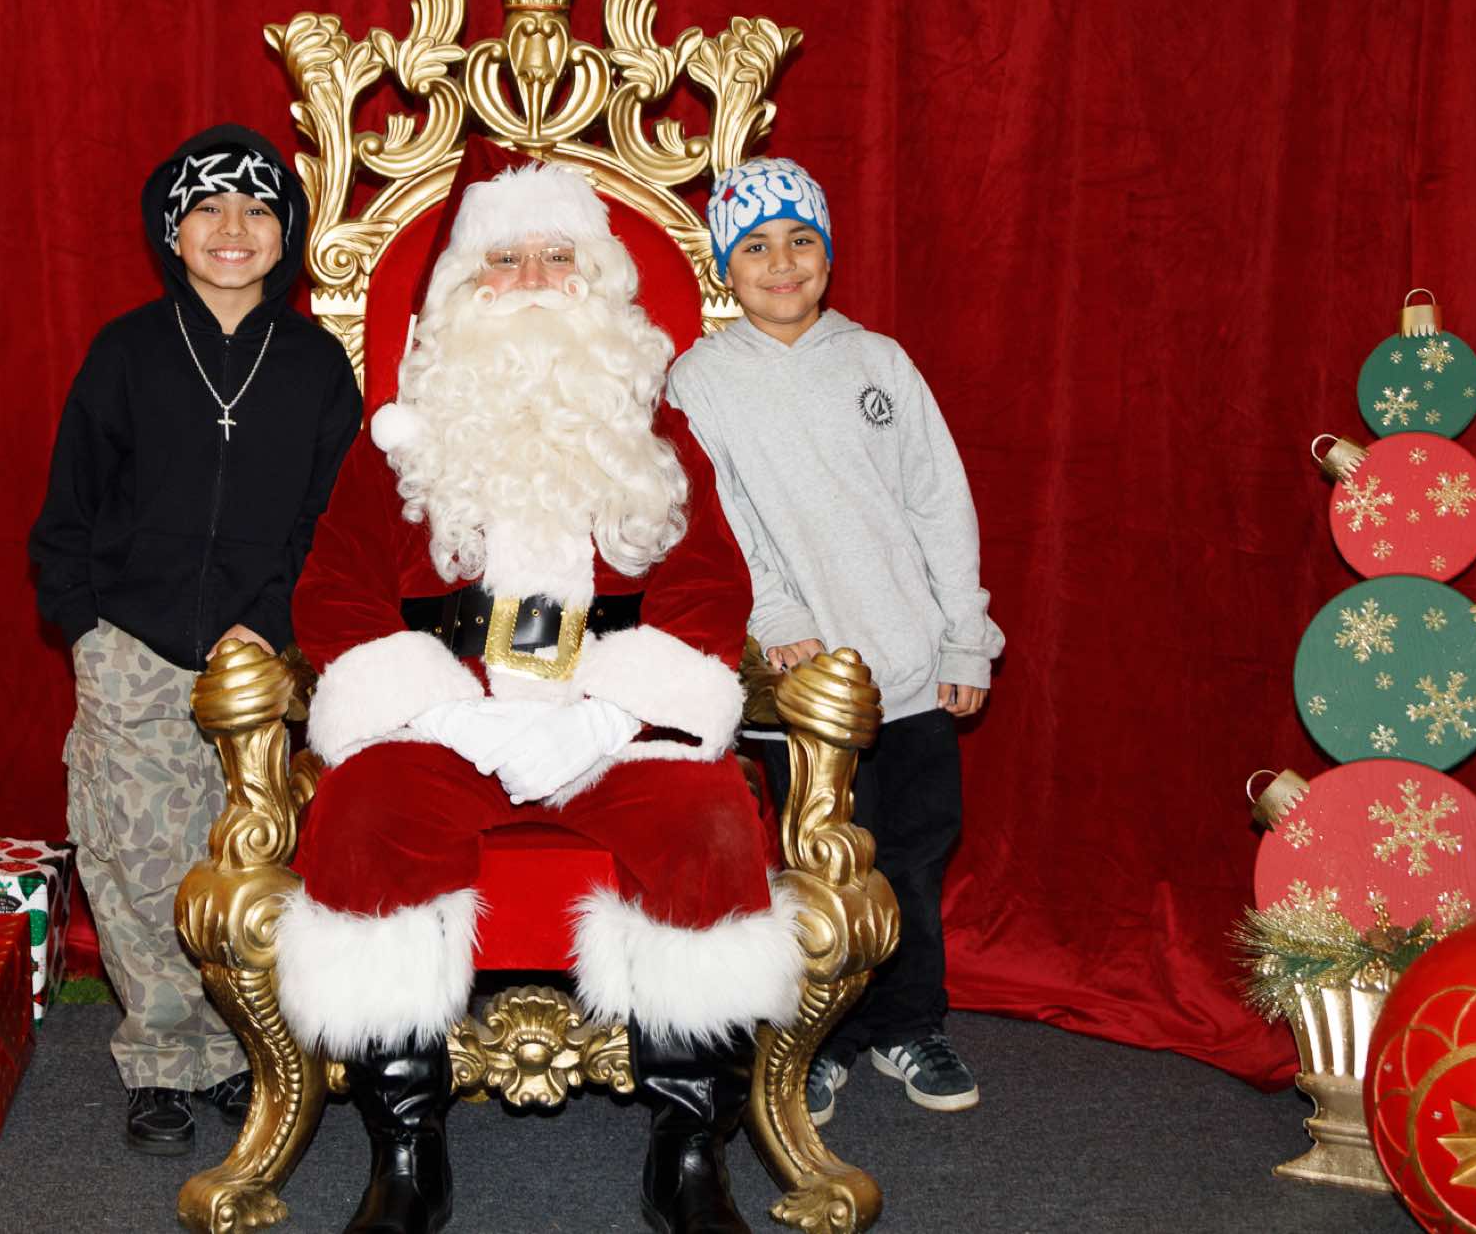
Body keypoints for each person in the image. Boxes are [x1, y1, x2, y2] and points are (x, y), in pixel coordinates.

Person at [284, 161, 787, 1234]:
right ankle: (405, 1148)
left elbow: (708, 590)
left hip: (614, 726)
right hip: (444, 724)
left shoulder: (653, 434)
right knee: (364, 815)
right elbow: (334, 595)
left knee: (708, 820)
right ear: (463, 288)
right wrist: (447, 713)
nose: (529, 281)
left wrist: (609, 714)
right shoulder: (395, 441)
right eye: (502, 260)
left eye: (557, 257)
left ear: (595, 280)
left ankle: (689, 1148)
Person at [29, 124, 361, 1156]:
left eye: (257, 209)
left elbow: (333, 519)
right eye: (208, 208)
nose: (232, 228)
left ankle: (243, 1046)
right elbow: (71, 505)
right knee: (137, 855)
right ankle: (164, 1057)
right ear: (172, 231)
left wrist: (278, 624)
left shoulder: (315, 365)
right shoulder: (126, 351)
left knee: (242, 853)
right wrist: (85, 626)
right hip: (131, 638)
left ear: (286, 234)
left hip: (261, 653)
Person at [666, 156, 1004, 1122]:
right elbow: (718, 520)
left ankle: (910, 1022)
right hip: (799, 683)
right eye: (756, 247)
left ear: (828, 253)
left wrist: (964, 636)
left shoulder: (878, 362)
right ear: (726, 267)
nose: (782, 263)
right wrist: (777, 618)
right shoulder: (700, 380)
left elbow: (939, 503)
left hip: (908, 671)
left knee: (910, 858)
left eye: (801, 240)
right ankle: (815, 1040)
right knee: (810, 865)